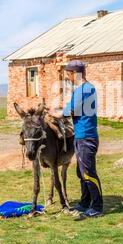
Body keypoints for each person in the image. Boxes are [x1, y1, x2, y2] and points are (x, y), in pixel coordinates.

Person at [49, 60, 103, 218]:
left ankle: (97, 207)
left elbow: (67, 112)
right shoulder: (86, 88)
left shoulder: (82, 91)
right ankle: (85, 202)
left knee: (88, 173)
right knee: (81, 172)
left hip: (86, 136)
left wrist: (53, 113)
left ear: (76, 74)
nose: (68, 78)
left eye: (69, 74)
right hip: (82, 135)